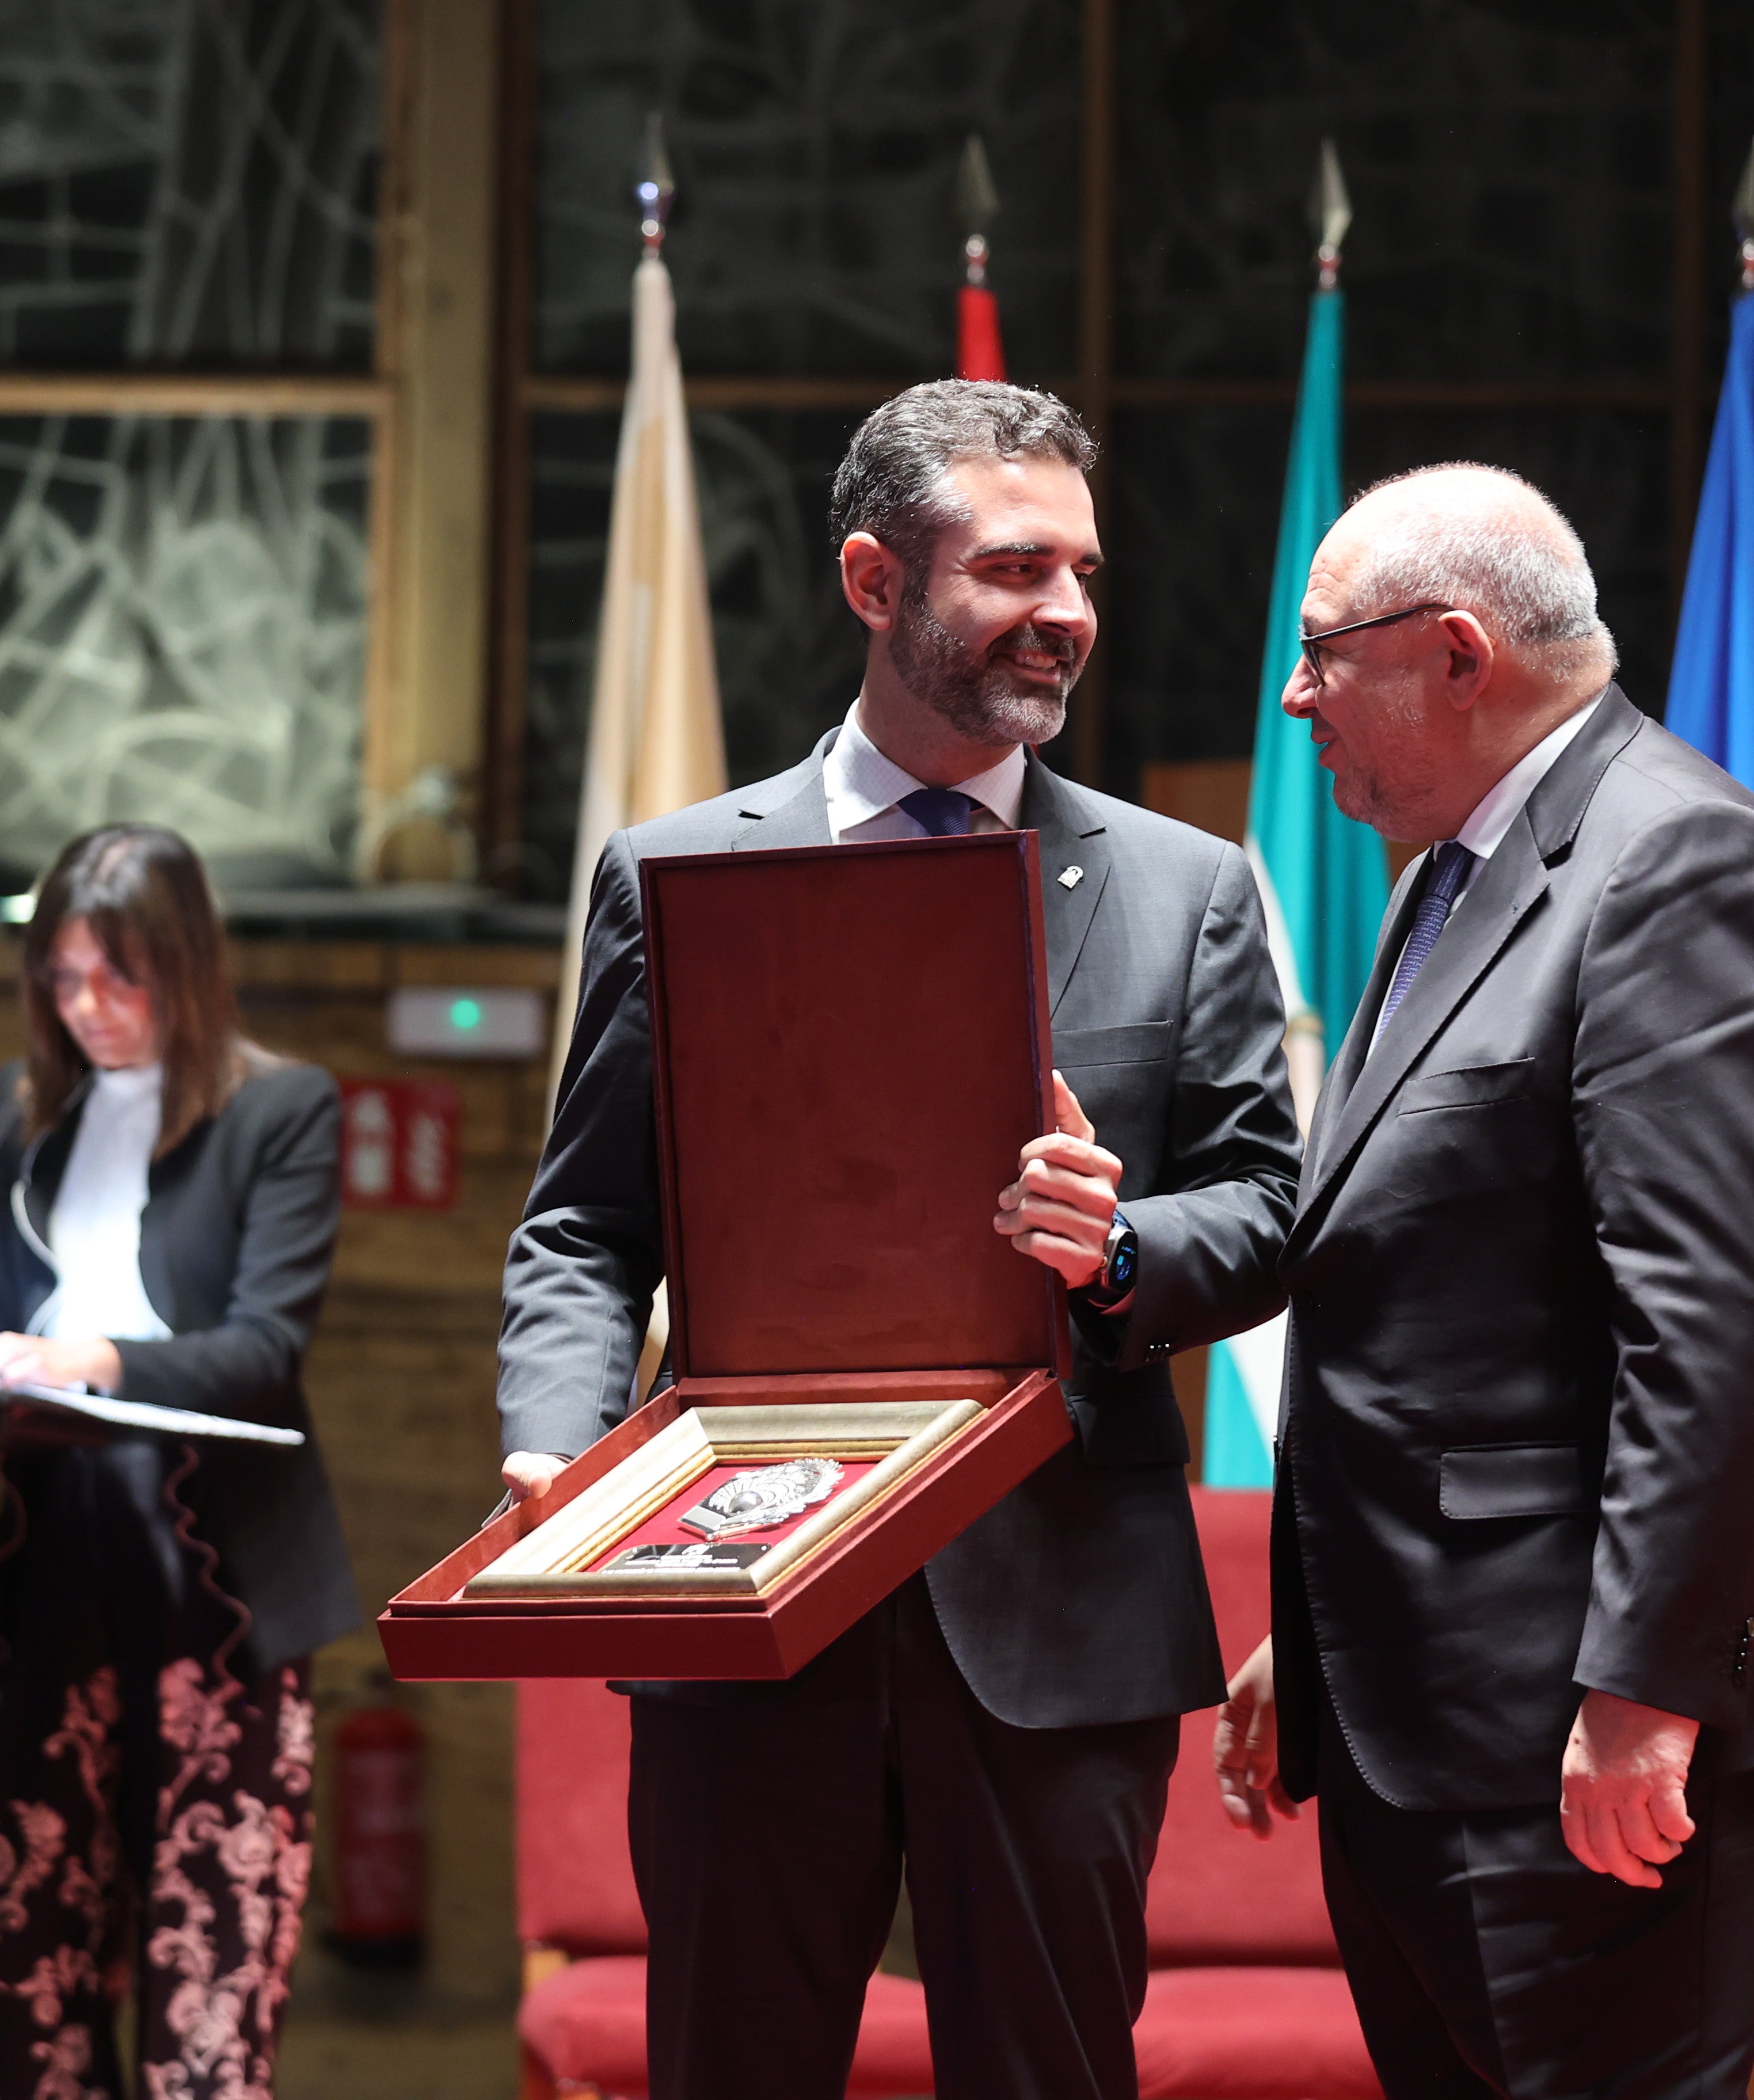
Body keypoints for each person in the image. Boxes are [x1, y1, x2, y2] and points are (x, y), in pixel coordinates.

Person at [500, 381, 1299, 2100]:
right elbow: (583, 1223)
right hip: (742, 1612)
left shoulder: (1192, 891)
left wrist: (1121, 1246)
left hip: (1060, 1623)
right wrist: (553, 1444)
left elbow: (1265, 1209)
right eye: (1015, 570)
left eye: (1082, 571)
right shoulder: (676, 874)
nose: (1066, 613)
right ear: (874, 580)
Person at [1211, 464, 1754, 2099]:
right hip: (1435, 1704)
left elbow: (1718, 1327)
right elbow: (1439, 1311)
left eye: (1325, 651)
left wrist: (1646, 1692)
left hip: (1576, 1727)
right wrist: (1312, 1635)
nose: (1298, 693)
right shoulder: (1445, 876)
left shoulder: (1675, 868)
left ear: (1460, 656)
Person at [0, 824, 356, 2100]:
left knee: (208, 1988)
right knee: (31, 1970)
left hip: (217, 1595)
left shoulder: (280, 1106)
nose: (88, 1007)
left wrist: (82, 1361)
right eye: (63, 977)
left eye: (121, 977)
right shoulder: (22, 1115)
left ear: (188, 969)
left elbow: (264, 1349)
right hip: (64, 1574)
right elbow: (12, 1322)